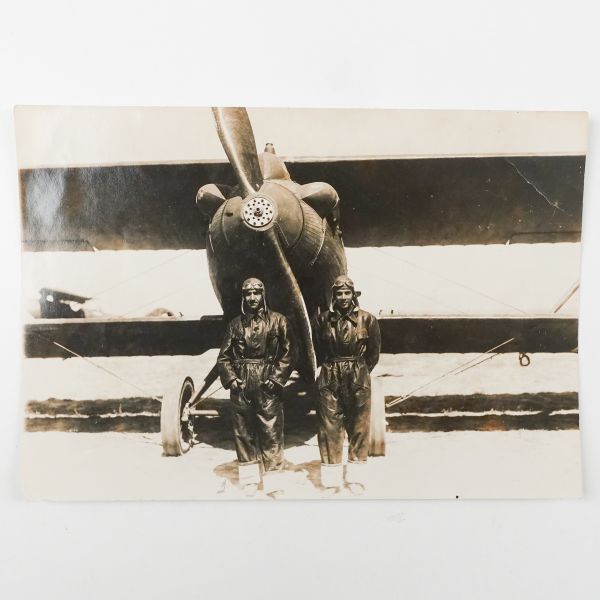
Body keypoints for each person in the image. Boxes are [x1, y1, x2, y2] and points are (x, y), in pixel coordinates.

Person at [217, 278, 295, 498]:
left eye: (256, 293)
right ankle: (250, 480)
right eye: (248, 294)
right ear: (244, 297)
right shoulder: (235, 325)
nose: (252, 298)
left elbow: (289, 353)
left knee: (271, 432)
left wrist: (275, 379)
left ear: (263, 295)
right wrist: (232, 380)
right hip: (242, 384)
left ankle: (274, 483)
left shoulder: (279, 321)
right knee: (243, 433)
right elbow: (224, 357)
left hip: (267, 383)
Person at [312, 275, 381, 495]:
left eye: (347, 293)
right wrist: (331, 369)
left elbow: (373, 354)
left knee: (358, 427)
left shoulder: (367, 319)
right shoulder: (322, 320)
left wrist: (360, 372)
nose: (343, 297)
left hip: (357, 375)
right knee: (329, 428)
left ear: (353, 295)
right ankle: (332, 481)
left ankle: (356, 478)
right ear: (334, 296)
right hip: (330, 374)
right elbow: (318, 349)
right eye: (339, 293)